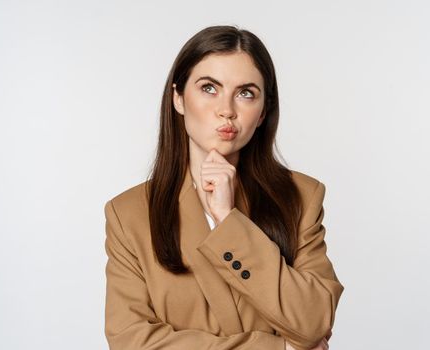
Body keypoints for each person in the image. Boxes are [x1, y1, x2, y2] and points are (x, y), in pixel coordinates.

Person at [104, 24, 344, 350]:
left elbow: (314, 320)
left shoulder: (301, 197)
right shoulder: (129, 215)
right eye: (209, 88)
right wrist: (277, 348)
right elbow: (131, 341)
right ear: (178, 97)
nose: (227, 110)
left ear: (262, 113)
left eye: (246, 93)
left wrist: (228, 220)